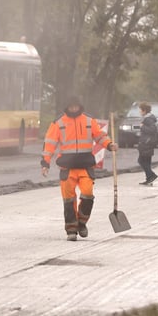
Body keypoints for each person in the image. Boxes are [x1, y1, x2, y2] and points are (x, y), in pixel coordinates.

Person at [41, 95, 116, 241]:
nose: (74, 109)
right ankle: (71, 230)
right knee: (69, 200)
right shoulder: (58, 123)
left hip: (85, 166)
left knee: (88, 195)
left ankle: (81, 222)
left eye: (76, 106)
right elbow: (49, 144)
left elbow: (99, 136)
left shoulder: (89, 120)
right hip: (67, 167)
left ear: (79, 106)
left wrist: (109, 144)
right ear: (67, 107)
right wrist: (45, 163)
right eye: (71, 107)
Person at [136, 102, 158, 185]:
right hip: (148, 143)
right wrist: (138, 127)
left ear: (144, 110)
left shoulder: (148, 119)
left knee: (141, 160)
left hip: (146, 143)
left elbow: (153, 130)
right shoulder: (148, 118)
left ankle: (151, 175)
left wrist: (142, 127)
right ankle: (149, 179)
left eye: (140, 110)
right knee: (147, 161)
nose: (139, 112)